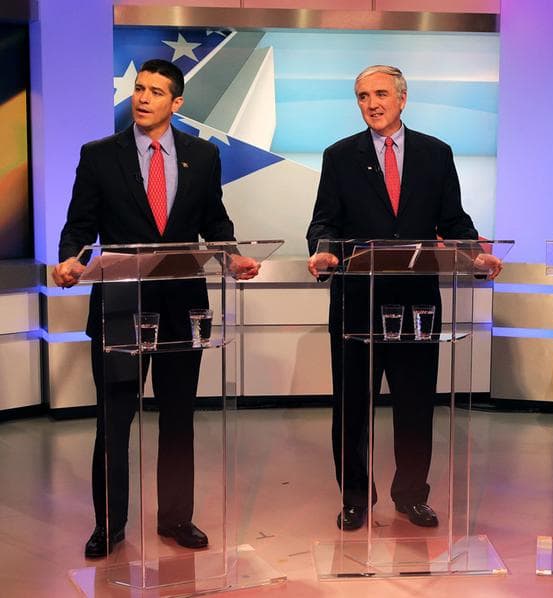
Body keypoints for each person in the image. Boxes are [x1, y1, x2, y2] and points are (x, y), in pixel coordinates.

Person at [52, 59, 259, 558]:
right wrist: (68, 258)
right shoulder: (100, 155)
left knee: (178, 417)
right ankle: (110, 525)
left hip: (183, 306)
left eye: (155, 91)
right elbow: (80, 225)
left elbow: (215, 219)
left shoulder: (202, 156)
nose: (143, 98)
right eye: (139, 89)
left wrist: (232, 258)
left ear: (177, 103)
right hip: (120, 306)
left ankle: (176, 519)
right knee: (114, 420)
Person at [306, 65, 502, 531]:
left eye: (379, 94)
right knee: (353, 407)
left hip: (417, 302)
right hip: (357, 301)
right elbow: (324, 222)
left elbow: (453, 221)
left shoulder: (436, 154)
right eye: (361, 96)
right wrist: (322, 251)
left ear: (402, 97)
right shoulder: (339, 156)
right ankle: (355, 498)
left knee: (415, 404)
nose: (371, 103)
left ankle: (412, 495)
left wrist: (476, 255)